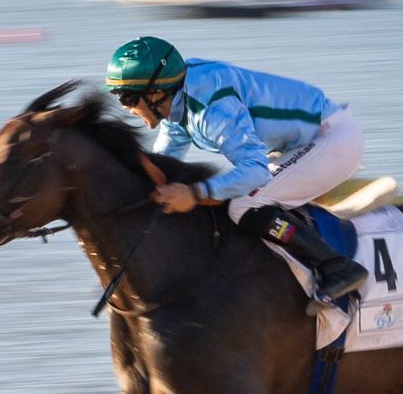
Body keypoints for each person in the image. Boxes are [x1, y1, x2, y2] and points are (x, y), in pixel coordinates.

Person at [104, 36, 369, 300]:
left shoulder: (211, 108)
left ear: (154, 93)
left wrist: (195, 193)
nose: (126, 108)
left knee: (245, 204)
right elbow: (162, 165)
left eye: (127, 98)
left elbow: (255, 171)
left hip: (332, 140)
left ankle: (337, 266)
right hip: (298, 145)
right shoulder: (178, 104)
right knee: (234, 199)